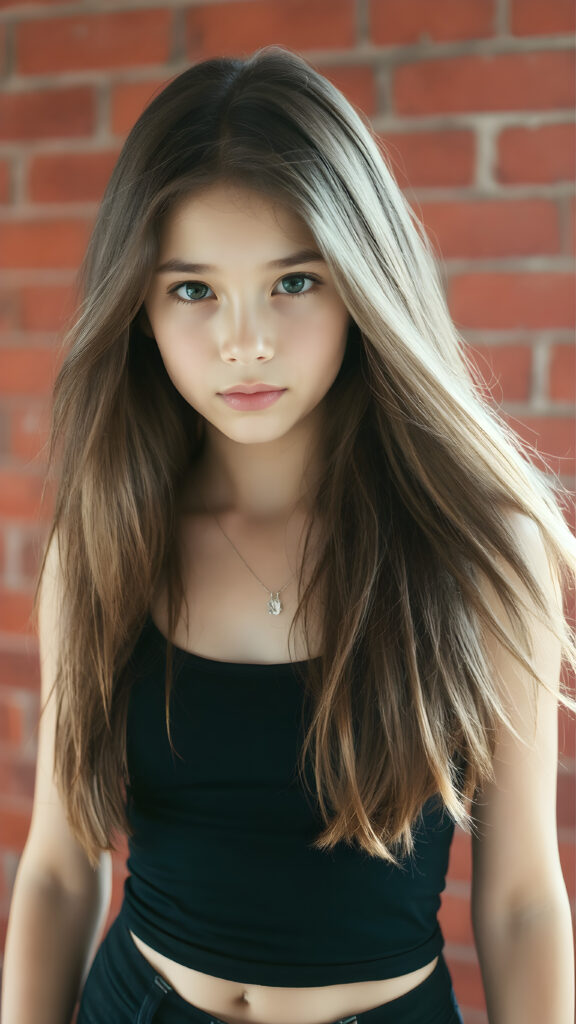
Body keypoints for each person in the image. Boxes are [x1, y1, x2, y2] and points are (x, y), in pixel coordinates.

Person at [1, 45, 575, 1024]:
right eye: (194, 289)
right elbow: (59, 867)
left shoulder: (484, 546)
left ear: (362, 281)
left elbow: (521, 899)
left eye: (294, 282)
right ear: (139, 306)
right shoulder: (102, 544)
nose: (246, 340)